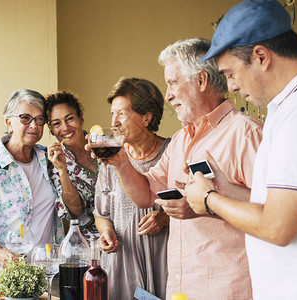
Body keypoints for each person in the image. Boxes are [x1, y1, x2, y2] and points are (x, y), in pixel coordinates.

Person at [186, 0, 297, 299]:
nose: (230, 86)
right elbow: (285, 205)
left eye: (230, 73)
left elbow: (278, 228)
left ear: (261, 56)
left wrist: (210, 200)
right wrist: (228, 189)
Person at [103, 39, 263, 299]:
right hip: (180, 289)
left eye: (173, 82)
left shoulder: (245, 133)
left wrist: (207, 204)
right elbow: (145, 195)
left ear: (201, 81)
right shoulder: (179, 140)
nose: (167, 95)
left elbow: (269, 211)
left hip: (227, 289)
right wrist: (121, 161)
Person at [0, 89, 64, 273]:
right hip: (2, 276)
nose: (33, 125)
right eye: (25, 118)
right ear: (8, 122)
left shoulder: (49, 160)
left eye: (39, 119)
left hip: (46, 271)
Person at [94, 77, 171, 299]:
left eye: (122, 114)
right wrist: (106, 232)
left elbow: (191, 206)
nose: (115, 122)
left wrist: (165, 219)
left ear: (147, 117)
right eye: (112, 114)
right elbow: (101, 214)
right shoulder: (111, 156)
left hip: (162, 264)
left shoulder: (172, 152)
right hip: (122, 265)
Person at [46, 92, 100, 241]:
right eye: (56, 123)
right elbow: (76, 212)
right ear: (51, 130)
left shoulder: (104, 144)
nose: (65, 127)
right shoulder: (54, 163)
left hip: (129, 230)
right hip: (92, 245)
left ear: (80, 118)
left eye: (70, 118)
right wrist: (62, 170)